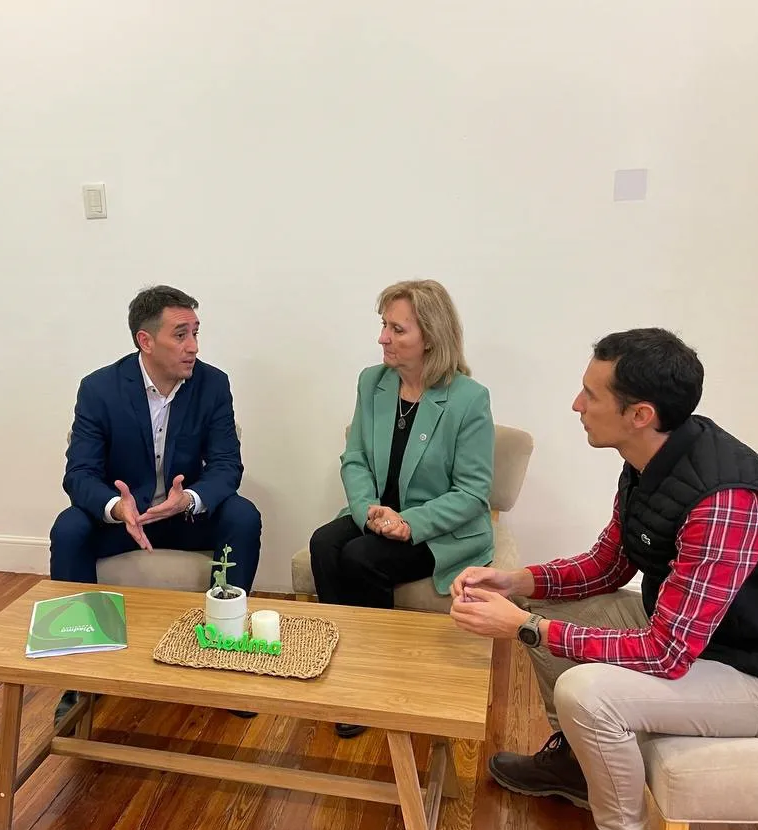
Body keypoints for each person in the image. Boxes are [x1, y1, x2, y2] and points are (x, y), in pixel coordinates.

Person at [449, 328, 758, 830]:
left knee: (587, 690)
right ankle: (581, 766)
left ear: (640, 414)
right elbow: (607, 566)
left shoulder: (724, 498)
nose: (576, 405)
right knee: (568, 618)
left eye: (589, 394)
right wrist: (516, 581)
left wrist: (524, 627)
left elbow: (666, 651)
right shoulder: (650, 461)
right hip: (704, 640)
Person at [50, 285, 262, 724]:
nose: (193, 347)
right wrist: (115, 507)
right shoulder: (100, 389)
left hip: (184, 515)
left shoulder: (213, 383)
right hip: (125, 519)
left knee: (243, 515)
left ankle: (227, 654)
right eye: (181, 335)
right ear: (145, 342)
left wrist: (191, 498)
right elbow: (79, 473)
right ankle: (78, 675)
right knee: (68, 529)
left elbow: (226, 465)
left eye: (196, 333)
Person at [309, 279, 494, 738]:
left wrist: (408, 523)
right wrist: (367, 510)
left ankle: (375, 681)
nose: (383, 338)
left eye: (397, 329)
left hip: (437, 528)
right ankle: (341, 663)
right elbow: (354, 458)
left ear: (430, 336)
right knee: (323, 542)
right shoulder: (373, 382)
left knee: (359, 557)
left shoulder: (468, 399)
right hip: (377, 515)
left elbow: (473, 493)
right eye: (383, 326)